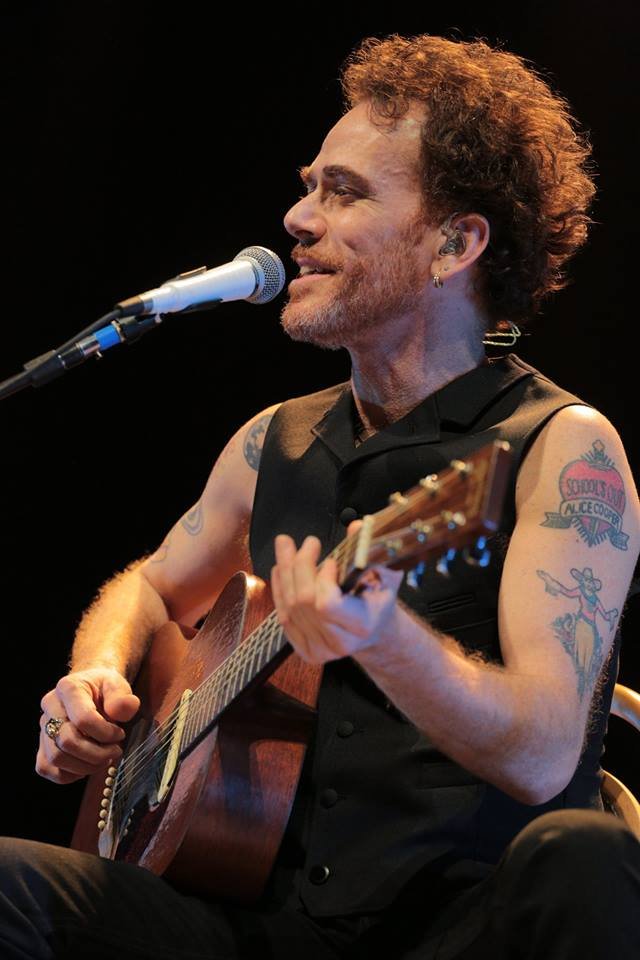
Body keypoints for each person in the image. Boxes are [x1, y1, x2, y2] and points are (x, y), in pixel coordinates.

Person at [2, 33, 639, 960]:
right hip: (250, 919)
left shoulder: (561, 448)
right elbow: (149, 586)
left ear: (455, 244)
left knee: (584, 857)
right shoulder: (273, 439)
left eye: (344, 192)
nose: (298, 219)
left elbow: (543, 756)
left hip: (453, 928)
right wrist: (95, 674)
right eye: (310, 187)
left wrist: (385, 639)